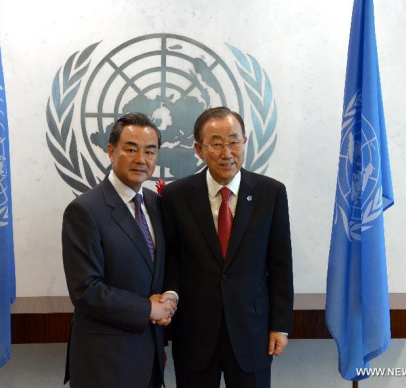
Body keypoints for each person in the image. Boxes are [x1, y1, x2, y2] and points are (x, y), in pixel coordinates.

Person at [162, 107, 294, 387]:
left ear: (245, 142)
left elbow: (280, 264)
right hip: (194, 333)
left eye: (234, 142)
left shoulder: (271, 193)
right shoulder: (176, 195)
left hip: (252, 332)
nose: (227, 152)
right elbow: (170, 258)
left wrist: (280, 325)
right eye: (217, 144)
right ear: (199, 148)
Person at [62, 112, 176, 388]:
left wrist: (170, 296)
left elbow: (165, 264)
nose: (141, 159)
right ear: (111, 151)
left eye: (150, 151)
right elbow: (86, 290)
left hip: (150, 359)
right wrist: (147, 309)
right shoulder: (85, 210)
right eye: (131, 149)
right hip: (104, 362)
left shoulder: (156, 204)